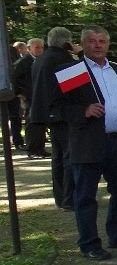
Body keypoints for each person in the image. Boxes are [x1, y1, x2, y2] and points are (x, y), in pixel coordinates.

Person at [55, 26, 117, 260]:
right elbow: (57, 107)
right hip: (88, 142)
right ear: (83, 44)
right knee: (86, 196)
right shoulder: (73, 71)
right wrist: (83, 111)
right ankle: (90, 244)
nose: (98, 45)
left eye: (102, 41)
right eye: (92, 41)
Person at [30, 27, 77, 207]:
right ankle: (69, 197)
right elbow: (77, 88)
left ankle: (61, 196)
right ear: (66, 42)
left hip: (45, 112)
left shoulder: (41, 59)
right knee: (69, 155)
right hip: (62, 112)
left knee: (58, 156)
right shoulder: (63, 59)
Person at [14, 38, 44, 154]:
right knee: (31, 122)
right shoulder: (23, 62)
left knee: (40, 122)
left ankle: (40, 148)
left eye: (41, 47)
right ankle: (32, 149)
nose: (40, 50)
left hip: (38, 95)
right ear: (29, 48)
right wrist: (21, 94)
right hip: (29, 96)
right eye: (37, 47)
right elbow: (15, 79)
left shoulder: (41, 60)